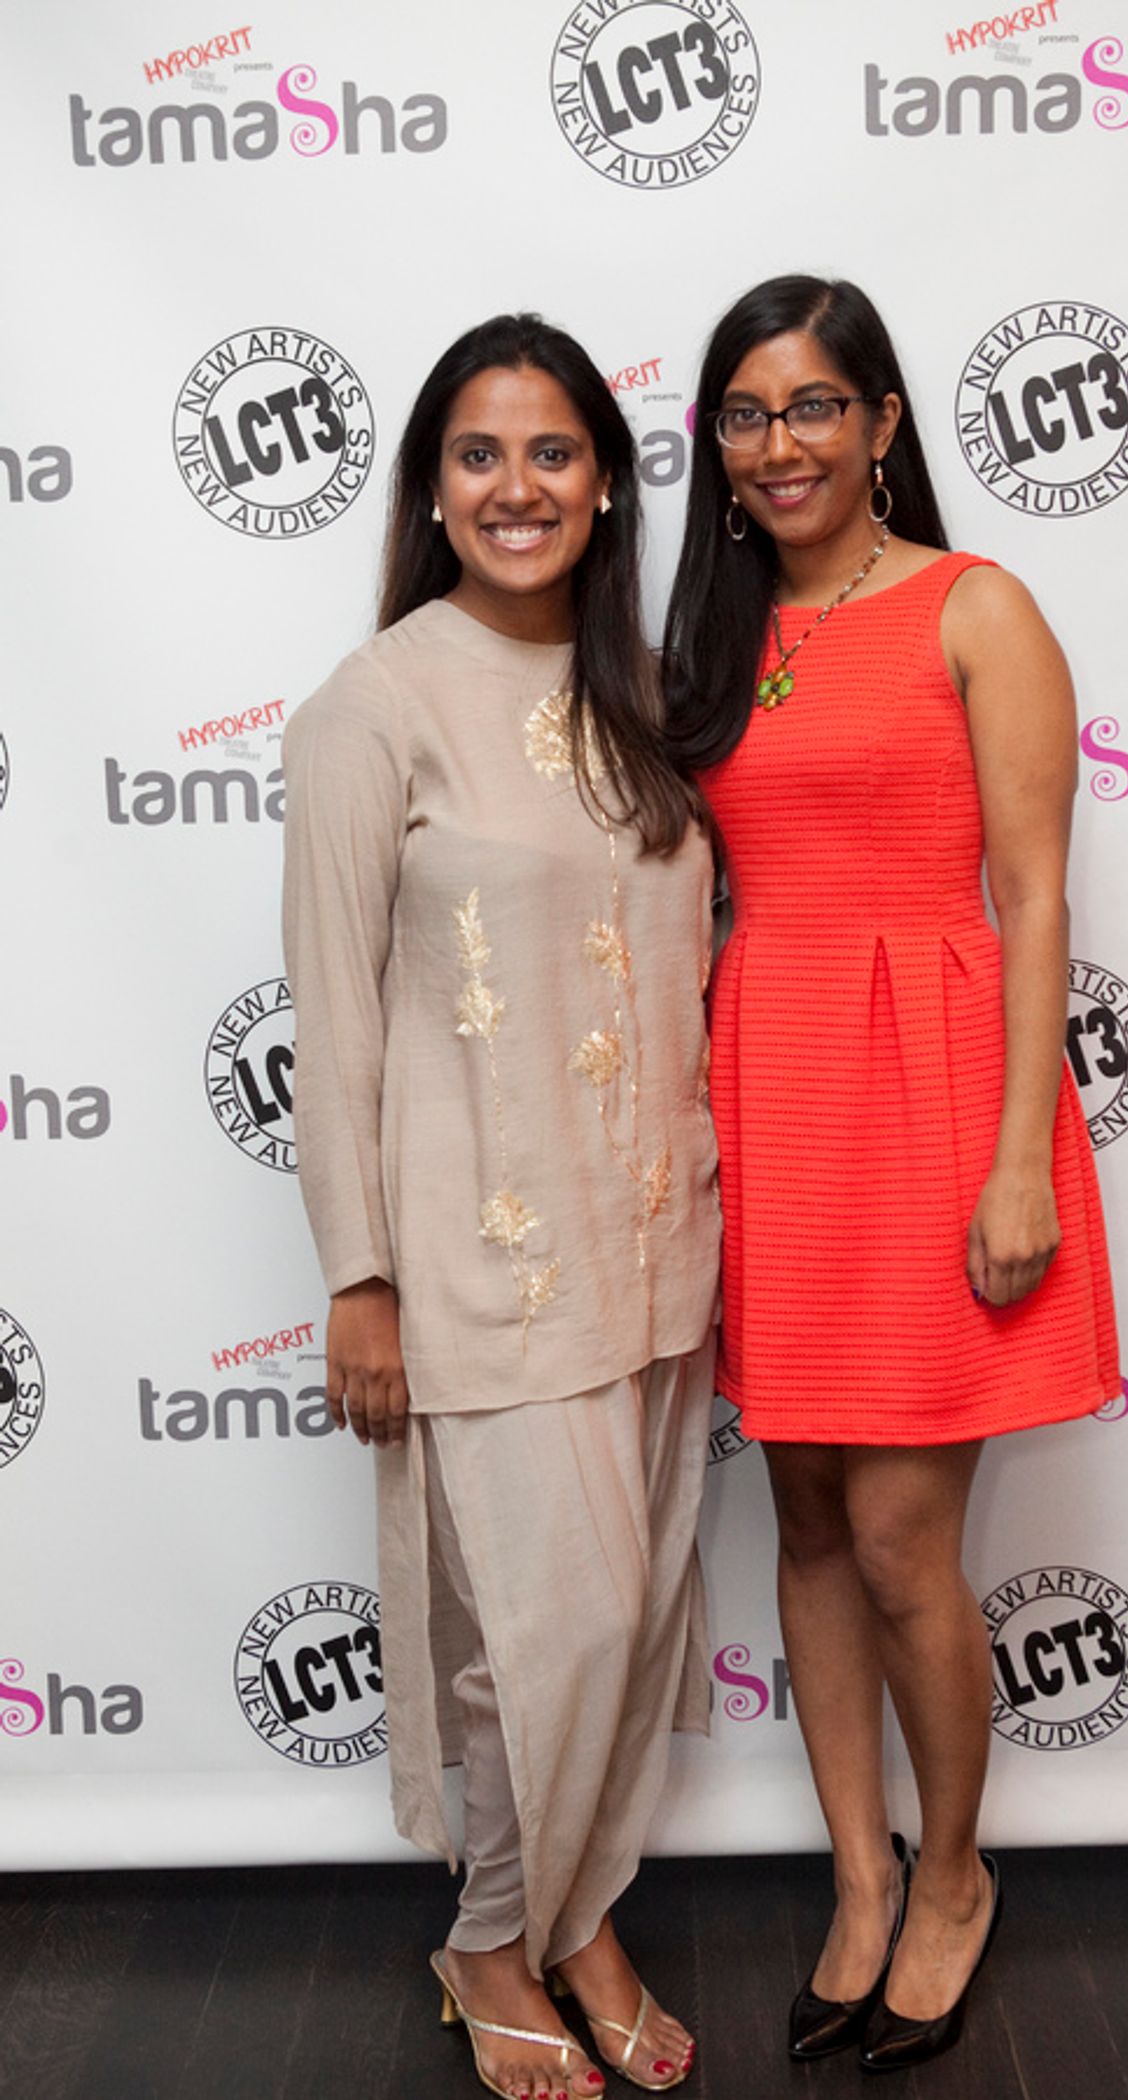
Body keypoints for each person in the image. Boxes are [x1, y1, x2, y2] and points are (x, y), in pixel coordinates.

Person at [663, 276, 1119, 2072]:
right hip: (770, 1090)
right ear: (718, 440)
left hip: (936, 1090)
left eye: (815, 407)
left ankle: (952, 1877)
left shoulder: (975, 606)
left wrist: (1023, 1159)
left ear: (882, 423)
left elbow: (1031, 897)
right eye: (749, 413)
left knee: (912, 1537)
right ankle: (856, 1875)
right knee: (807, 1524)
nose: (782, 444)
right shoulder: (710, 634)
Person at [282, 313, 721, 2100]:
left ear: (606, 483)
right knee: (559, 1622)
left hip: (655, 1245)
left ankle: (581, 1916)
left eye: (551, 452)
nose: (517, 486)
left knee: (607, 1622)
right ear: (433, 490)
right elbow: (330, 1023)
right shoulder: (372, 707)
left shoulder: (641, 706)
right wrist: (359, 1280)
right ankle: (489, 1932)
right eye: (479, 454)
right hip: (477, 1264)